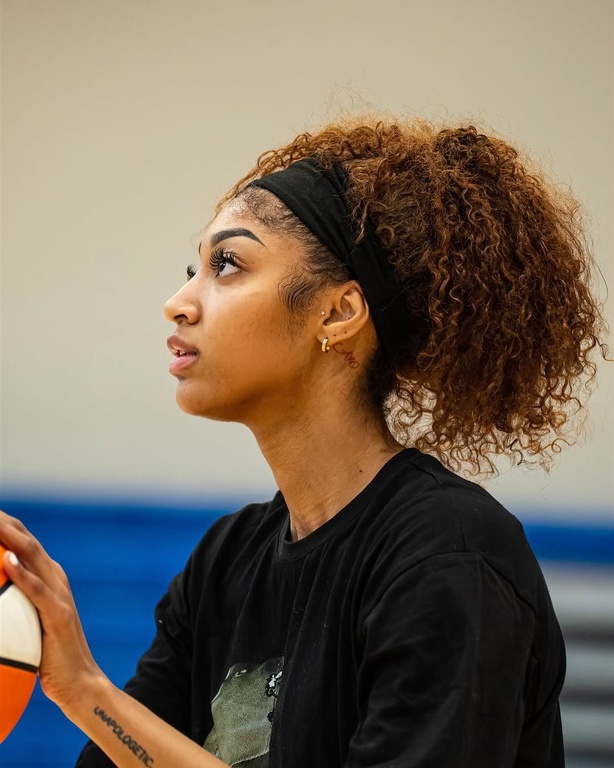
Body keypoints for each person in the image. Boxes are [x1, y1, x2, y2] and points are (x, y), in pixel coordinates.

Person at [0, 116, 609, 768]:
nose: (178, 302)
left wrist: (88, 690)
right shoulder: (224, 563)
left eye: (227, 265)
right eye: (192, 269)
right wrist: (76, 689)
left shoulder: (450, 556)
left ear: (338, 313)